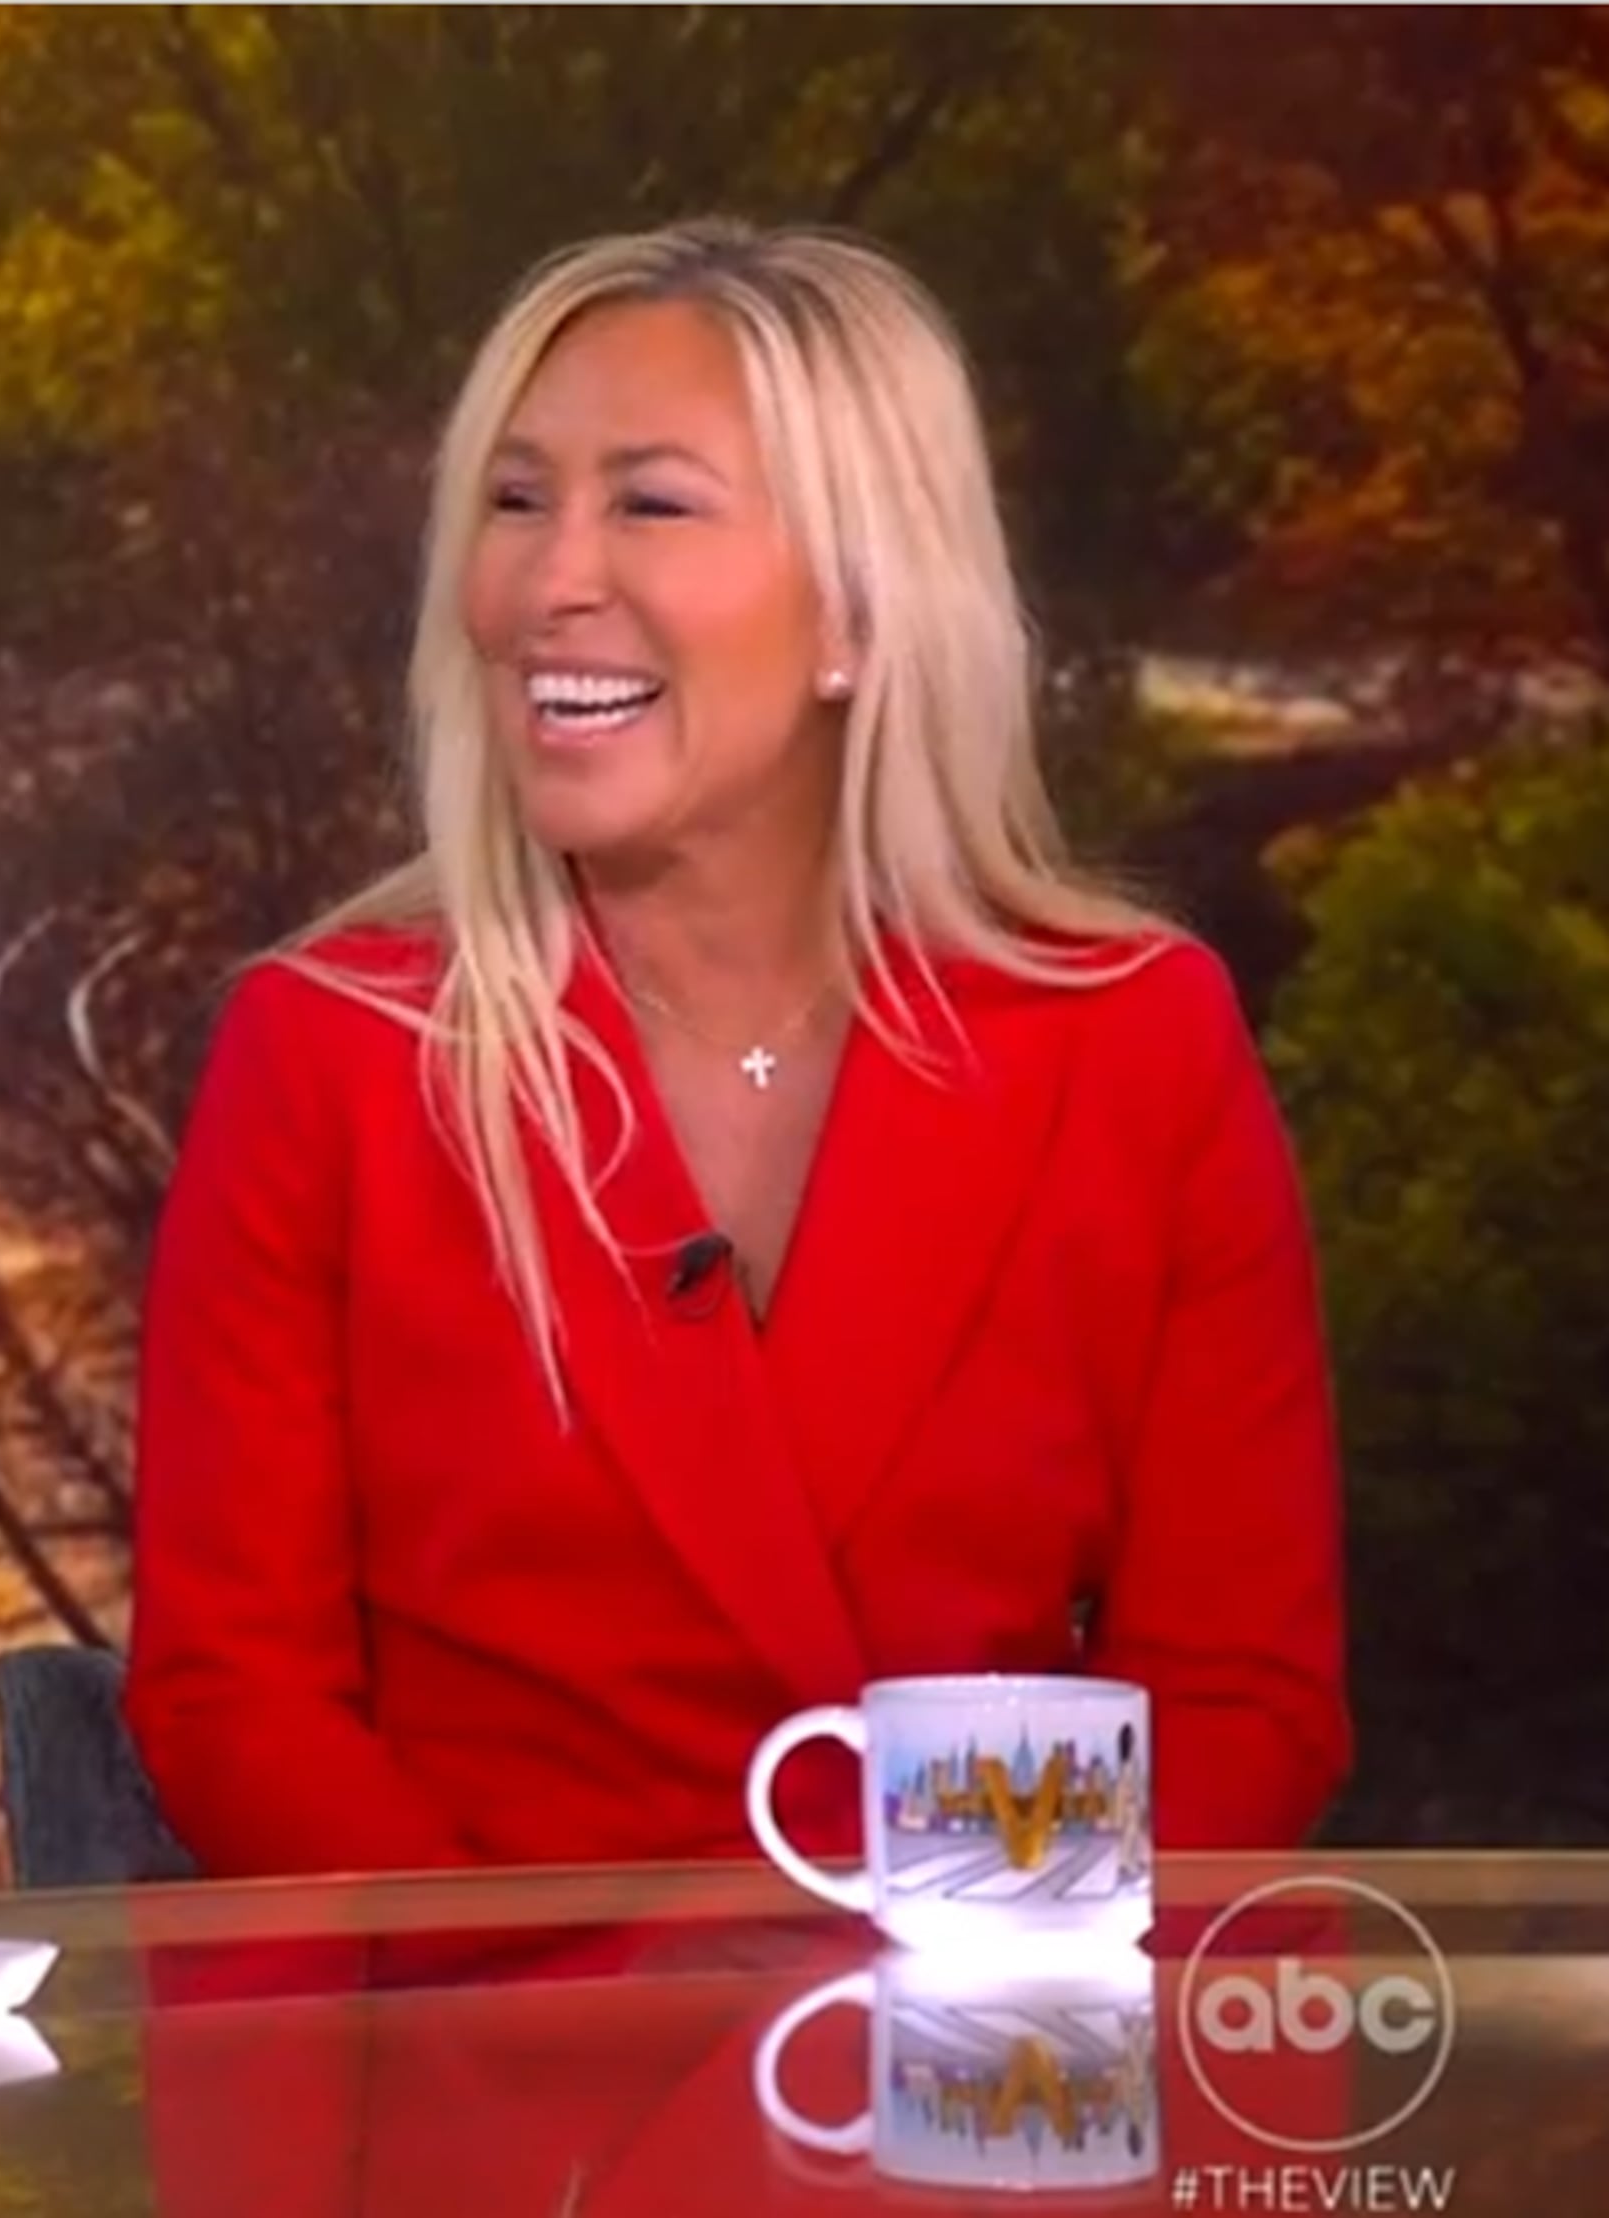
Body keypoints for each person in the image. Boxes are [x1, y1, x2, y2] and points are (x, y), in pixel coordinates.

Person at [122, 217, 1349, 1883]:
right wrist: (545, 2024)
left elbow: (1241, 1695)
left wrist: (965, 1999)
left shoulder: (1133, 1046)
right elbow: (232, 1697)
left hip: (984, 2075)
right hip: (490, 2082)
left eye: (650, 501)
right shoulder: (328, 1058)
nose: (549, 581)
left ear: (856, 608)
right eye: (514, 499)